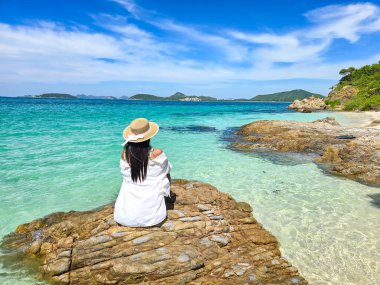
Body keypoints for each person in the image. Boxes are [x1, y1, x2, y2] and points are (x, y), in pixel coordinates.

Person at [114, 118, 172, 227]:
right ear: (149, 136)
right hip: (153, 219)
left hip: (124, 218)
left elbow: (125, 175)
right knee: (164, 174)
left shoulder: (124, 154)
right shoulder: (157, 153)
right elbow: (167, 172)